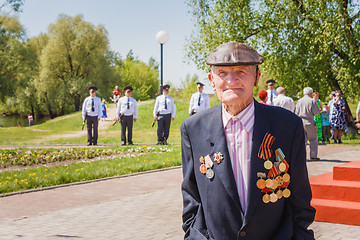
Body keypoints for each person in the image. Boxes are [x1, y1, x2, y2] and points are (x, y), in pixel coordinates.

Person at [181, 41, 315, 239]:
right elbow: (191, 196)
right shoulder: (193, 128)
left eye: (242, 72)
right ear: (212, 80)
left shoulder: (287, 126)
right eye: (223, 73)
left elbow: (300, 198)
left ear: (256, 77)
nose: (232, 80)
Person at [294, 87, 320, 160]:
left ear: (303, 93)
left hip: (300, 121)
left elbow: (295, 112)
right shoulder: (312, 101)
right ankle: (313, 156)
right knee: (313, 139)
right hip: (309, 121)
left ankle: (301, 157)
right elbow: (317, 112)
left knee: (302, 140)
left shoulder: (299, 101)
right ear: (311, 93)